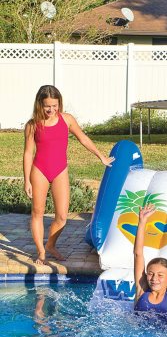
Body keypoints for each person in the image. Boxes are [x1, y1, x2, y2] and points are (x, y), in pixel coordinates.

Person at [23, 85, 115, 265]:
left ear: (59, 103)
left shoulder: (67, 120)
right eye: (47, 106)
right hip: (39, 170)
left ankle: (50, 245)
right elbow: (27, 153)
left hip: (60, 170)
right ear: (39, 104)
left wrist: (101, 156)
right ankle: (41, 252)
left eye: (55, 105)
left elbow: (83, 138)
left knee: (62, 216)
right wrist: (27, 180)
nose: (51, 110)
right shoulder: (32, 125)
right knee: (37, 212)